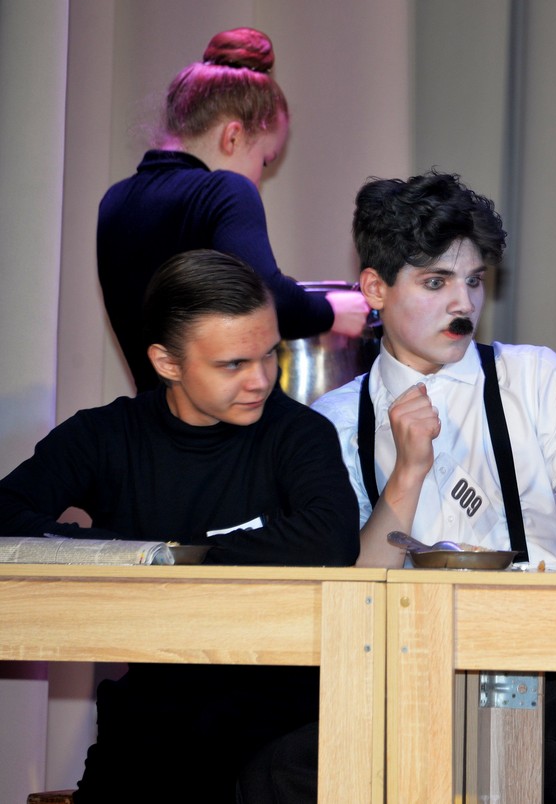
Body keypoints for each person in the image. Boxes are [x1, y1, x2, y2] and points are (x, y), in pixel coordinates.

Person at [311, 170, 556, 802]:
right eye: (436, 282)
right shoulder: (336, 421)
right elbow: (354, 592)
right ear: (374, 288)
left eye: (473, 281)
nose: (463, 305)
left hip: (539, 654)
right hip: (406, 665)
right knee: (299, 761)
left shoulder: (531, 377)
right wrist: (409, 473)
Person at [0, 249, 361, 803]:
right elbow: (7, 512)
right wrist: (134, 551)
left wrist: (180, 555)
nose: (261, 380)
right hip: (151, 721)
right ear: (167, 363)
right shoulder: (105, 435)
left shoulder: (298, 434)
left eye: (269, 353)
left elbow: (330, 536)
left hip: (277, 726)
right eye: (232, 364)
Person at [97, 26, 368, 393]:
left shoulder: (115, 199)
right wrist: (332, 312)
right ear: (233, 136)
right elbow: (266, 298)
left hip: (149, 418)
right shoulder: (226, 190)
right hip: (218, 422)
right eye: (265, 160)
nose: (259, 179)